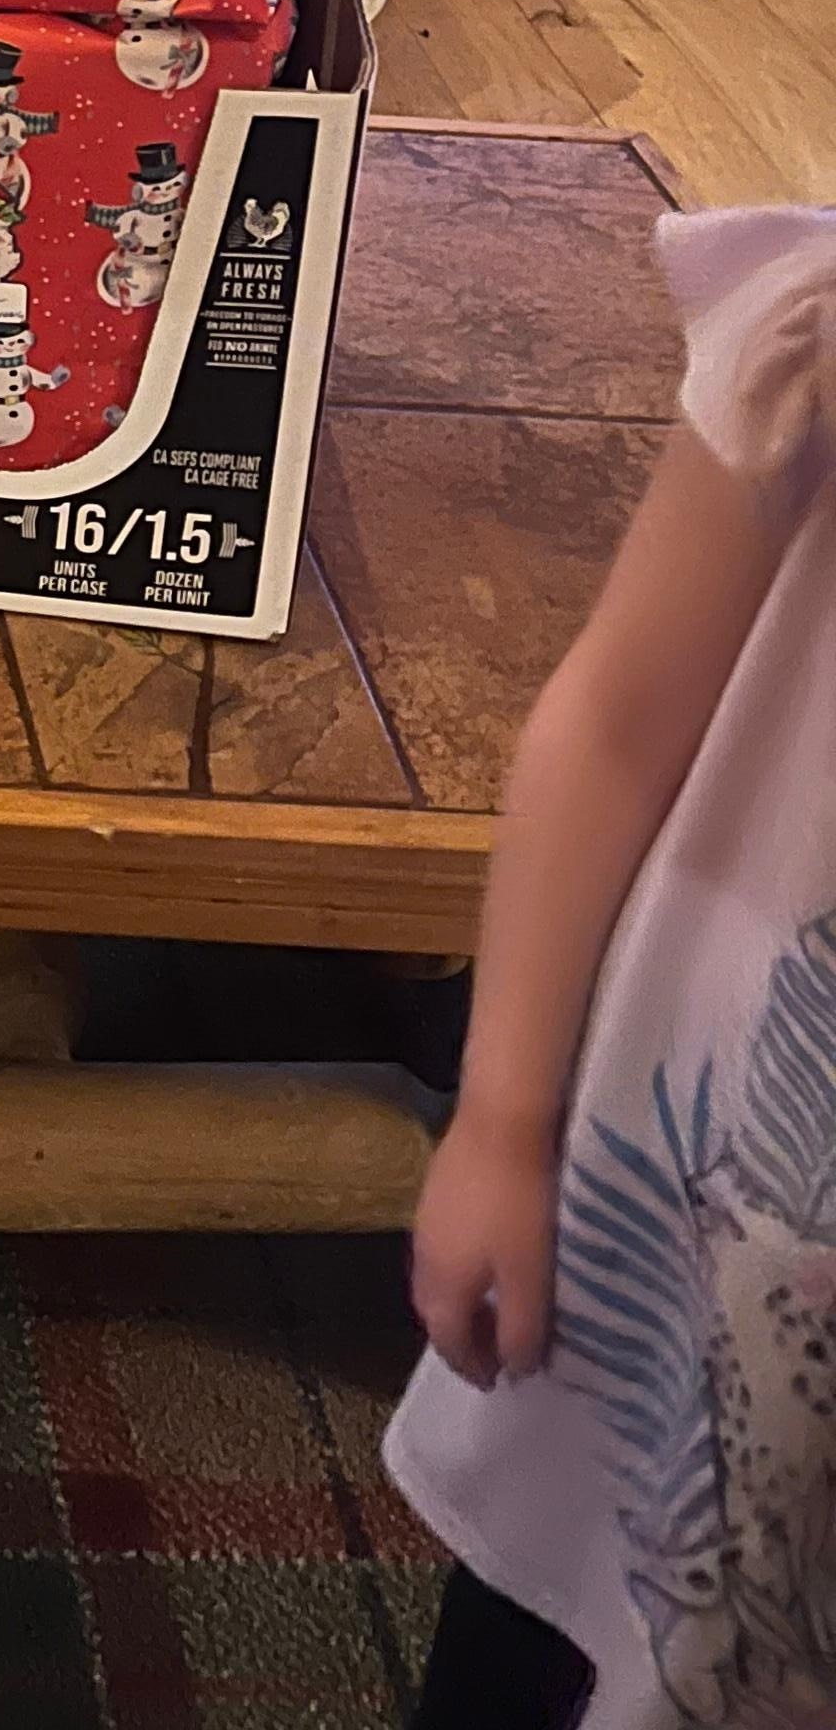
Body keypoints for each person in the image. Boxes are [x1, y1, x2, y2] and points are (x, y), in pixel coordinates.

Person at [389, 207, 836, 1729]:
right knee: (562, 1640)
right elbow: (613, 723)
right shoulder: (811, 331)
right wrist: (503, 1119)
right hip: (700, 1239)